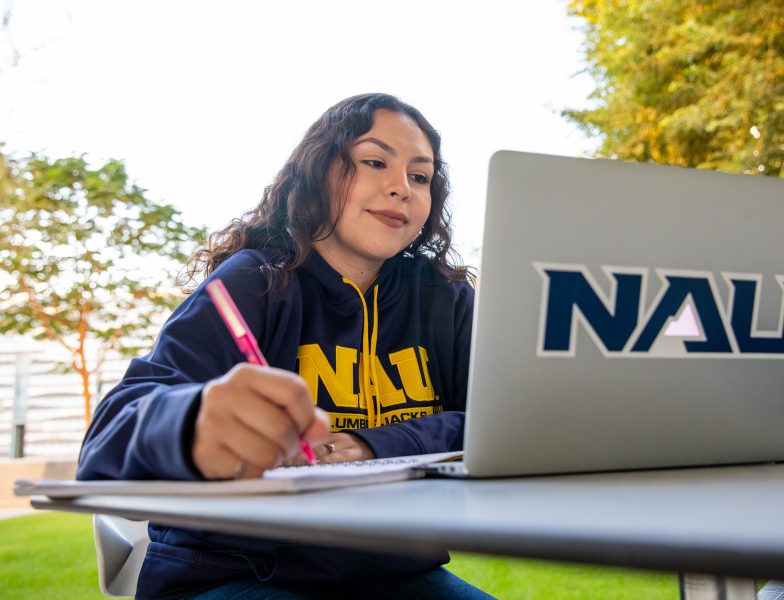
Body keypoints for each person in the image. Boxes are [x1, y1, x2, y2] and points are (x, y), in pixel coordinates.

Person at [77, 93, 491, 599]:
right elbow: (104, 442)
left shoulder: (446, 299)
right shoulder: (256, 282)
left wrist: (374, 446)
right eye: (375, 162)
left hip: (396, 571)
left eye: (421, 176)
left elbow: (504, 423)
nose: (401, 188)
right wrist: (192, 421)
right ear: (318, 171)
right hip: (234, 573)